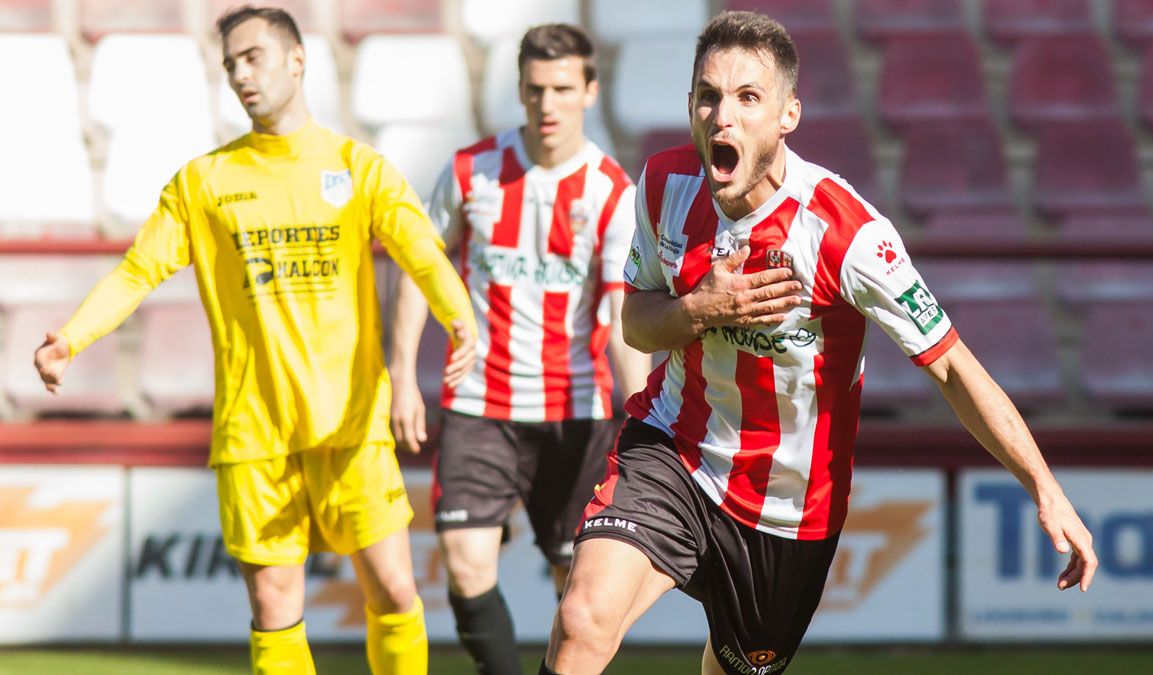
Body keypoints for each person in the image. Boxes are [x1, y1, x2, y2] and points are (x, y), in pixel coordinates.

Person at [541, 11, 1098, 675]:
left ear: (787, 115)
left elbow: (950, 365)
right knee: (582, 621)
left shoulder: (847, 233)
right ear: (690, 104)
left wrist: (1044, 486)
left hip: (787, 508)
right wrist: (700, 307)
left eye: (749, 98)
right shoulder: (663, 186)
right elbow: (636, 320)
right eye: (709, 95)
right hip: (674, 449)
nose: (724, 117)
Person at [32, 6, 476, 674]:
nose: (242, 74)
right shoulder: (203, 182)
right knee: (274, 606)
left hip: (351, 425)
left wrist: (457, 314)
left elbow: (419, 246)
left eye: (254, 57)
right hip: (253, 433)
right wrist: (71, 338)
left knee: (392, 588)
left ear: (297, 60)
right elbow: (137, 270)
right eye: (231, 63)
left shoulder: (357, 167)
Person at [390, 23, 651, 675]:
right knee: (463, 559)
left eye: (563, 88)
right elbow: (417, 266)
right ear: (519, 90)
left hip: (577, 411)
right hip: (480, 402)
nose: (548, 103)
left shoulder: (612, 191)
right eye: (535, 89)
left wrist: (642, 413)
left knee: (581, 586)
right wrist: (400, 375)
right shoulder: (471, 170)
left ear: (590, 91)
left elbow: (624, 316)